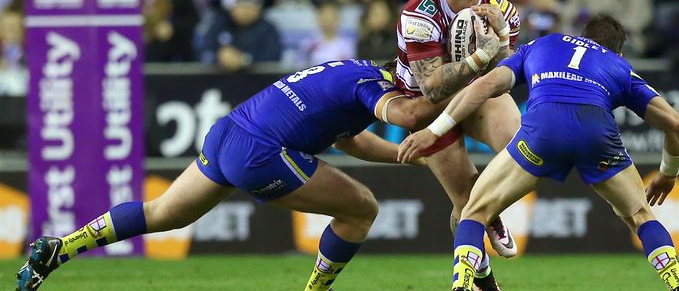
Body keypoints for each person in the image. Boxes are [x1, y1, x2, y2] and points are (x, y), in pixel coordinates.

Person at [16, 59, 445, 291]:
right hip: (261, 150)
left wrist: (411, 157)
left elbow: (350, 140)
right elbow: (407, 112)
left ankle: (59, 248)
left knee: (163, 212)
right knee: (361, 209)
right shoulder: (371, 84)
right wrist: (467, 83)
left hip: (228, 133)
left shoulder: (349, 71)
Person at [399, 15, 679, 291]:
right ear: (619, 52)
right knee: (639, 214)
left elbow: (486, 86)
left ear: (580, 37)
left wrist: (435, 130)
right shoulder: (619, 66)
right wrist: (667, 174)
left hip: (543, 133)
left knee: (474, 212)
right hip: (597, 136)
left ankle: (461, 283)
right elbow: (677, 125)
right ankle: (677, 283)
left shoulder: (543, 44)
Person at [395, 0, 522, 291]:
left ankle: (488, 205)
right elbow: (432, 86)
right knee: (467, 205)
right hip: (425, 107)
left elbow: (508, 76)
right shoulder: (420, 13)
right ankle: (486, 278)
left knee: (522, 145)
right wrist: (480, 56)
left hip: (477, 94)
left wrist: (499, 43)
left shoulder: (504, 10)